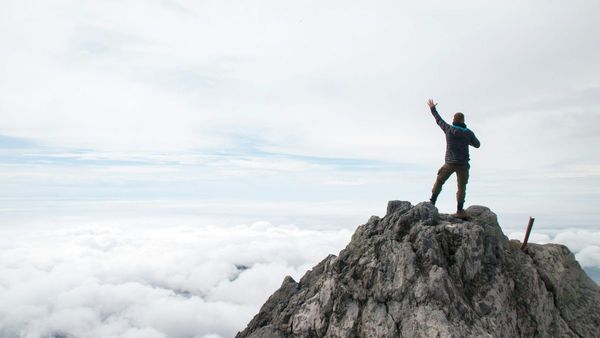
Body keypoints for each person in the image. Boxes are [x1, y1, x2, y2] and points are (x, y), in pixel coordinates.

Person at [427, 99, 480, 219]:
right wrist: (467, 141)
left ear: (454, 120)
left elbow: (438, 120)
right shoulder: (468, 133)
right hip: (463, 165)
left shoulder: (448, 129)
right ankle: (460, 210)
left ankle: (432, 202)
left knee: (440, 181)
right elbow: (477, 144)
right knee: (461, 187)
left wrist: (432, 108)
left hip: (449, 163)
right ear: (463, 121)